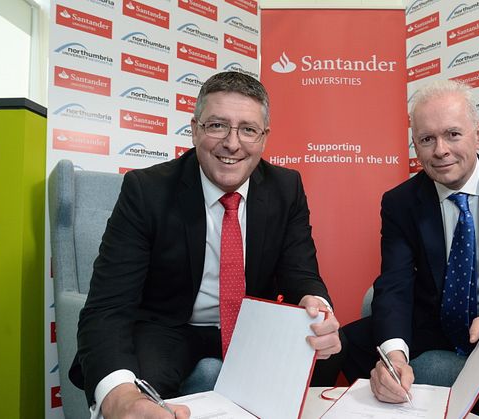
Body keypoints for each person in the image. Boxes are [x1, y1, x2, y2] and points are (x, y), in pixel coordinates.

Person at [70, 71, 342, 419]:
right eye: (217, 126)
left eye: (248, 129)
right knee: (138, 395)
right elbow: (108, 305)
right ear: (195, 129)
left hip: (250, 329)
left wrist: (316, 307)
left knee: (334, 349)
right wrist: (119, 397)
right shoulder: (146, 190)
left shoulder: (285, 188)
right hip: (168, 326)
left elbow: (301, 273)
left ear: (264, 138)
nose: (232, 143)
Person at [341, 79, 479, 419]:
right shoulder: (400, 202)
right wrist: (394, 357)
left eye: (453, 134)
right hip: (434, 319)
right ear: (415, 144)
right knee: (345, 344)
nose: (440, 150)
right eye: (427, 139)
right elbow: (395, 283)